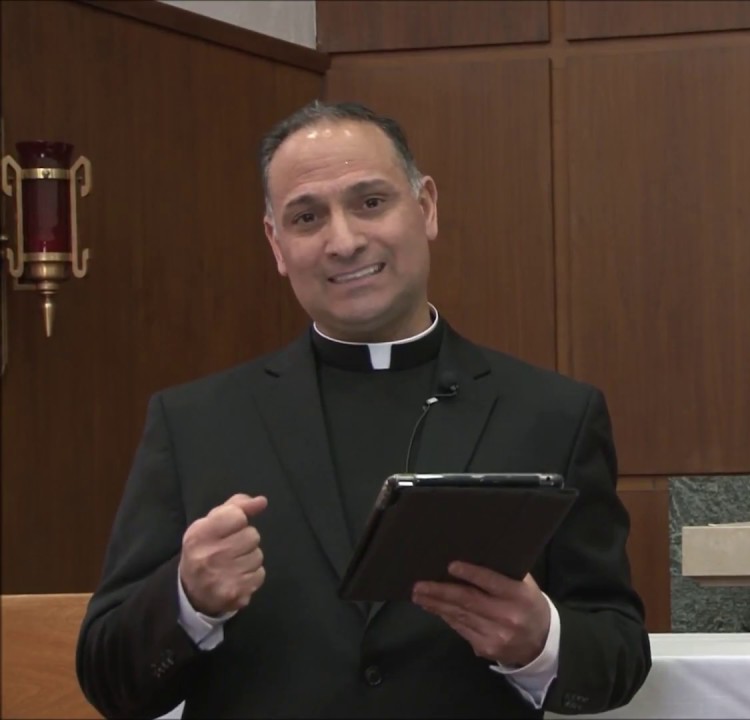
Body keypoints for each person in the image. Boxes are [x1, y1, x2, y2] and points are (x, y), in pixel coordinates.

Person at [75, 100, 651, 718]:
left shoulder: (553, 414)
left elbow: (618, 648)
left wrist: (540, 643)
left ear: (426, 207)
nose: (344, 241)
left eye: (371, 202)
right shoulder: (194, 423)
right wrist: (188, 601)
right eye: (306, 217)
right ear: (276, 244)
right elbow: (110, 681)